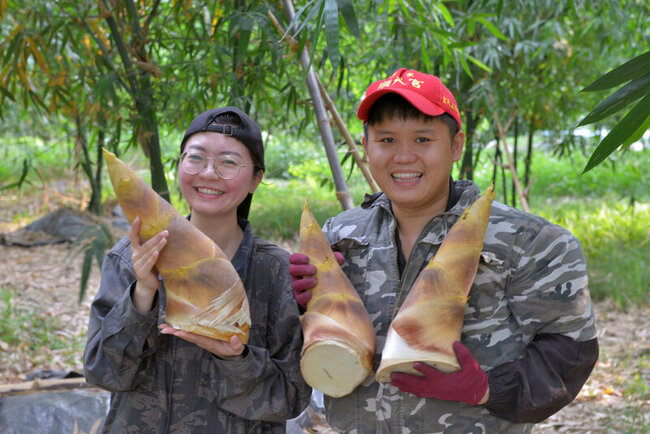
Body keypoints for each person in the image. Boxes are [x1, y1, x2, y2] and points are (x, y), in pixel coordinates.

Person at [289, 68, 599, 433]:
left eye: (422, 139)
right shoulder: (340, 235)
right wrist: (299, 309)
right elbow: (316, 357)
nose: (403, 156)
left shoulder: (528, 242)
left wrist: (486, 389)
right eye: (386, 139)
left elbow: (571, 352)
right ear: (366, 145)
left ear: (456, 146)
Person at [84, 106, 311, 433]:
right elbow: (103, 373)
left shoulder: (274, 272)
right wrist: (143, 293)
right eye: (196, 158)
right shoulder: (131, 257)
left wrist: (237, 359)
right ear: (180, 165)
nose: (208, 173)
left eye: (228, 162)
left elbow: (290, 398)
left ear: (256, 179)